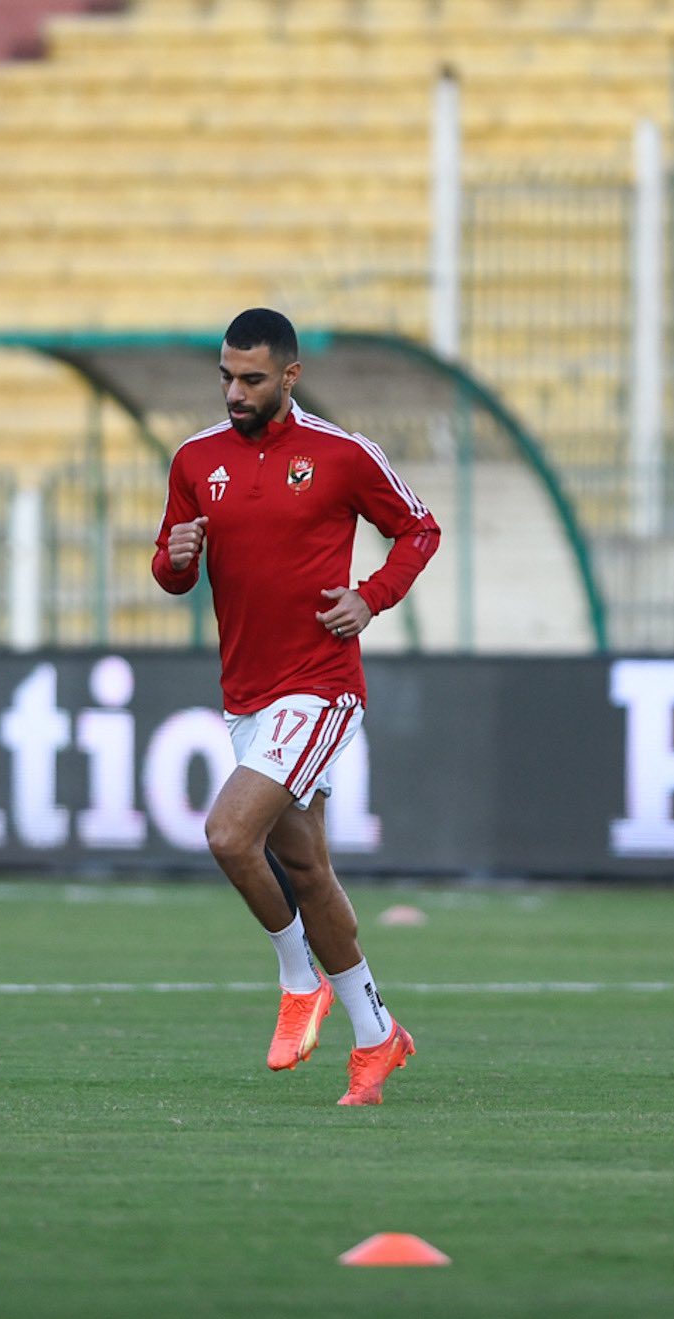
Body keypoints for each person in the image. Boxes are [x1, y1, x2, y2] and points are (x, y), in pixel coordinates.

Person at [152, 308, 441, 1106]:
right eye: (225, 377)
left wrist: (371, 598)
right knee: (308, 870)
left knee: (227, 833)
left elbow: (419, 528)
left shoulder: (342, 455)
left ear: (290, 376)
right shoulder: (195, 459)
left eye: (251, 379)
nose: (234, 393)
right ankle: (380, 1039)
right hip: (246, 692)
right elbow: (174, 565)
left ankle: (297, 980)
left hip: (319, 684)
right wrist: (173, 563)